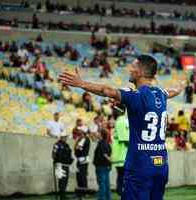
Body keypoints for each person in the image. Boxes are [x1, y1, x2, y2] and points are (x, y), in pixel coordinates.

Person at [59, 54, 184, 200]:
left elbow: (106, 91)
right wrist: (180, 88)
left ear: (140, 72)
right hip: (161, 164)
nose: (130, 70)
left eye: (133, 67)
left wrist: (81, 83)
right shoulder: (161, 94)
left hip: (140, 165)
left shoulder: (134, 94)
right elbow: (173, 92)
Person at [111, 103, 129, 196]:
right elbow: (125, 139)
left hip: (122, 156)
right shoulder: (121, 121)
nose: (112, 111)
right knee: (123, 181)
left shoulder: (120, 121)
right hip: (122, 156)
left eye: (114, 109)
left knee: (122, 179)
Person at [52, 131, 74, 200]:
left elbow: (69, 154)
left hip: (66, 165)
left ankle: (63, 194)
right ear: (61, 137)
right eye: (64, 137)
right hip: (60, 165)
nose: (65, 138)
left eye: (66, 137)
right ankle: (62, 196)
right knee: (62, 180)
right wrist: (56, 162)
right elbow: (53, 154)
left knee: (65, 180)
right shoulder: (57, 144)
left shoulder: (67, 145)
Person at [93, 128, 112, 200]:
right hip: (106, 166)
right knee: (106, 184)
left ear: (101, 135)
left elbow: (105, 155)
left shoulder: (101, 143)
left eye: (98, 133)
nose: (97, 134)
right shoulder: (107, 143)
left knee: (102, 184)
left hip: (101, 166)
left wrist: (109, 160)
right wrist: (110, 162)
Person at [74, 128, 90, 200]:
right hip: (80, 159)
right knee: (79, 176)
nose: (79, 132)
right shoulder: (81, 139)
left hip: (83, 160)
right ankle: (81, 191)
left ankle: (85, 192)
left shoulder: (85, 139)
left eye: (80, 131)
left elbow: (77, 148)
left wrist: (77, 142)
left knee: (82, 176)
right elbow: (76, 148)